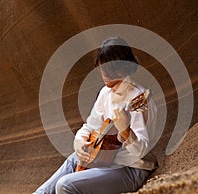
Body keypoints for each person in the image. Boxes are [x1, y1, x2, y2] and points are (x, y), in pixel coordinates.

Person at [33, 37, 158, 194]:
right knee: (72, 161)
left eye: (109, 70)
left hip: (131, 168)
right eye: (101, 69)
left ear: (124, 68)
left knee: (64, 185)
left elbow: (141, 151)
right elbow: (89, 126)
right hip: (105, 159)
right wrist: (79, 142)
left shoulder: (138, 100)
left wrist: (126, 131)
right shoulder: (105, 93)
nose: (104, 74)